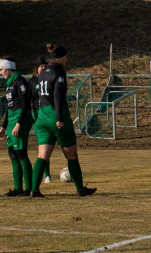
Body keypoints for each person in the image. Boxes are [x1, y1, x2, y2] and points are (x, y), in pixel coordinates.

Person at [31, 44, 97, 197]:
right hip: (56, 116)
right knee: (72, 155)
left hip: (42, 117)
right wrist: (60, 118)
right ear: (60, 58)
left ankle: (34, 189)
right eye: (65, 57)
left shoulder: (42, 73)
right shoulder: (59, 72)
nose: (66, 60)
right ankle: (80, 189)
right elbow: (58, 96)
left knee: (43, 156)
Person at [0, 55, 33, 196]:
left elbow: (25, 105)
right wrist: (3, 127)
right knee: (12, 154)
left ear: (8, 68)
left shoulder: (20, 81)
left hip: (19, 120)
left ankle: (29, 189)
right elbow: (9, 108)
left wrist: (19, 124)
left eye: (1, 70)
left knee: (21, 153)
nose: (0, 73)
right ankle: (17, 188)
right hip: (11, 121)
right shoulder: (9, 84)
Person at [28, 57, 52, 184]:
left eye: (45, 66)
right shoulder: (32, 82)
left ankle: (73, 170)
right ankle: (46, 175)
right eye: (41, 66)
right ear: (36, 68)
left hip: (52, 115)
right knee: (44, 146)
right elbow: (28, 101)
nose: (43, 68)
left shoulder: (52, 78)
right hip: (39, 117)